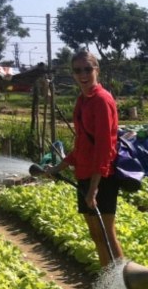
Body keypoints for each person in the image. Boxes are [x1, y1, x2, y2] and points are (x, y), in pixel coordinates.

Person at [42, 50, 124, 268]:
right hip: (85, 175)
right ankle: (106, 283)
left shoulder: (101, 100)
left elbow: (104, 147)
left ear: (96, 70)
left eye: (87, 69)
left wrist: (94, 188)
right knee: (96, 234)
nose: (83, 74)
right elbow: (82, 145)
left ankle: (122, 287)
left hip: (102, 176)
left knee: (107, 233)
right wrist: (58, 166)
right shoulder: (82, 100)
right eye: (78, 70)